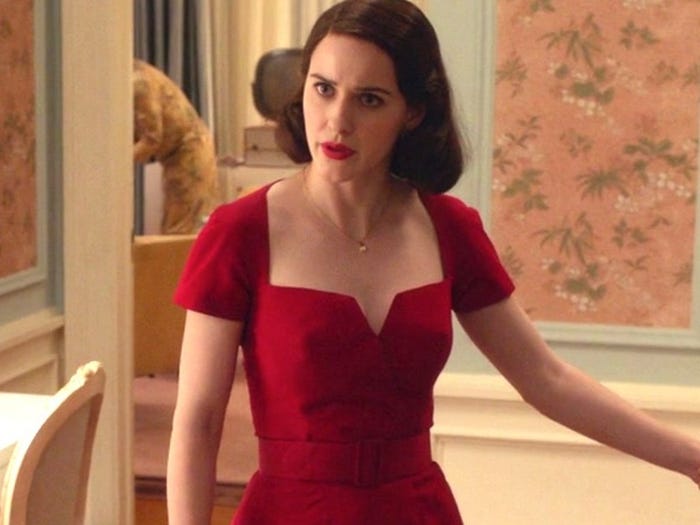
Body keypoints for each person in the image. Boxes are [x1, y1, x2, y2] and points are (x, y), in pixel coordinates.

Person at [166, 1, 700, 523]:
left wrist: (692, 459)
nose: (337, 120)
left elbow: (546, 378)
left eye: (369, 99)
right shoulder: (240, 232)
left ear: (413, 113)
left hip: (417, 510)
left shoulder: (449, 229)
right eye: (323, 89)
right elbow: (199, 420)